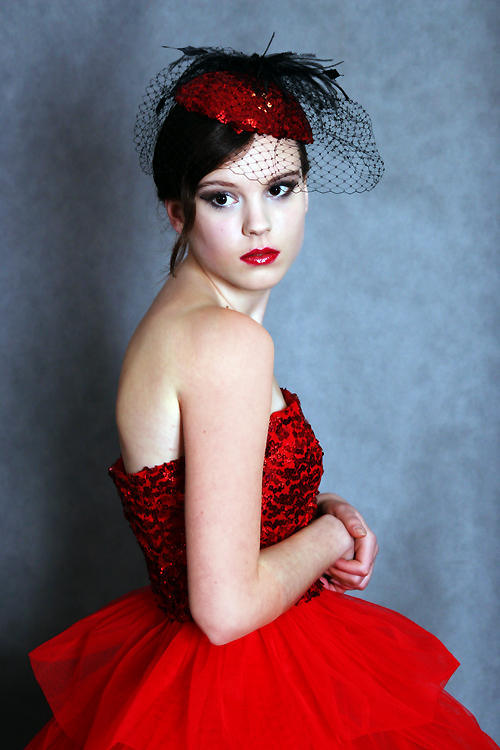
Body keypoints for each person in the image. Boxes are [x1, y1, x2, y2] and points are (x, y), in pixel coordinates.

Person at [26, 44, 498, 749]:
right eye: (223, 197)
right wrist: (333, 536)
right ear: (177, 212)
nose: (258, 224)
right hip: (238, 686)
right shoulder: (224, 341)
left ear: (307, 191)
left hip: (215, 674)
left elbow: (211, 499)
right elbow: (223, 611)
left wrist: (316, 509)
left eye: (279, 188)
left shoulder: (180, 323)